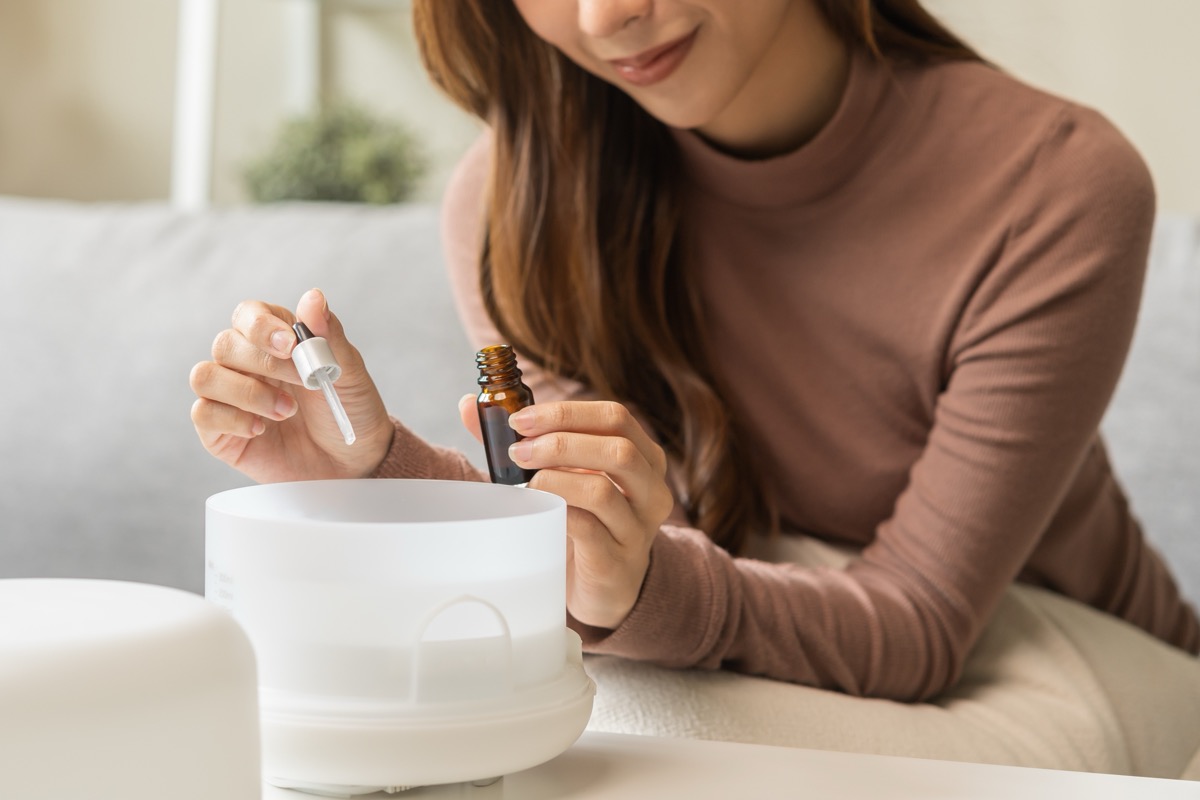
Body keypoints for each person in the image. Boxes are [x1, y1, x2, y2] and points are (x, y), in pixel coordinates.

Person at [189, 0, 1200, 703]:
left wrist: (634, 590)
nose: (604, 16)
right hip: (788, 665)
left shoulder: (1056, 187)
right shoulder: (518, 197)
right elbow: (601, 552)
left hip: (1082, 669)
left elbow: (919, 621)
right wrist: (377, 473)